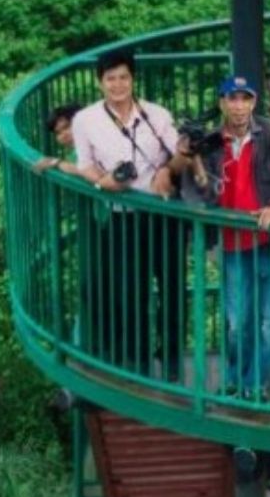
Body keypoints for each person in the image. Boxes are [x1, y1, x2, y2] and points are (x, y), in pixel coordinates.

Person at [168, 75, 270, 402]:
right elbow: (204, 194)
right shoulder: (212, 142)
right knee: (235, 322)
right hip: (233, 243)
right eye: (232, 98)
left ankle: (257, 383)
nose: (239, 106)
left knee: (267, 321)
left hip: (269, 241)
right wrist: (194, 160)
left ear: (253, 102)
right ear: (222, 103)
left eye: (245, 98)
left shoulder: (268, 133)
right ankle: (233, 377)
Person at [69, 51, 185, 379]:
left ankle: (171, 357)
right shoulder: (86, 120)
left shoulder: (156, 114)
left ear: (133, 79)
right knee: (132, 291)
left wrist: (167, 169)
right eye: (110, 79)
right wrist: (103, 182)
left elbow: (182, 154)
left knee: (173, 288)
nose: (118, 85)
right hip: (122, 216)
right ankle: (139, 360)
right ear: (100, 82)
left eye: (124, 77)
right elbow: (85, 164)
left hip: (163, 214)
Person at [33, 104, 81, 172]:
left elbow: (88, 171)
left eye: (66, 127)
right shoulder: (74, 155)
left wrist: (57, 163)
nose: (63, 135)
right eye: (58, 133)